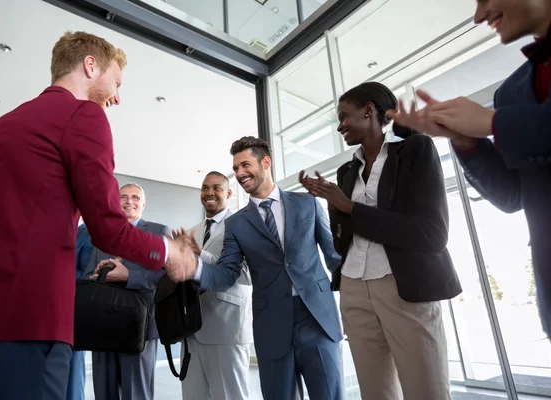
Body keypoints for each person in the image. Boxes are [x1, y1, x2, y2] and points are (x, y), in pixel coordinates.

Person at [0, 31, 195, 400]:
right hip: (26, 319)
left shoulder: (1, 126)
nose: (117, 96)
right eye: (116, 82)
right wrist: (171, 253)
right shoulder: (84, 115)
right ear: (90, 65)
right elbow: (108, 227)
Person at [386, 0, 551, 336]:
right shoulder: (511, 92)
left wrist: (493, 122)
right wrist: (466, 141)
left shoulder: (501, 111)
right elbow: (512, 196)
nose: (478, 16)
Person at [300, 82, 462, 400]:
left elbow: (432, 233)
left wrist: (350, 207)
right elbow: (342, 240)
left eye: (344, 115)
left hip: (404, 286)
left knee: (426, 390)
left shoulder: (416, 150)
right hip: (354, 288)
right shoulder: (348, 170)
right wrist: (334, 204)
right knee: (376, 392)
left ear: (369, 111)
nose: (339, 125)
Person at [171, 137, 345, 400]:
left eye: (245, 165)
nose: (240, 173)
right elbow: (227, 274)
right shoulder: (237, 223)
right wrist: (194, 269)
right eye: (236, 168)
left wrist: (356, 303)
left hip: (317, 319)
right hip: (271, 324)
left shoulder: (307, 203)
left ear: (266, 162)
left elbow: (334, 258)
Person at [84, 183, 169, 400]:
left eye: (135, 197)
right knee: (104, 391)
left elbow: (165, 277)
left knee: (136, 393)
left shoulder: (159, 232)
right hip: (103, 326)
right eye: (123, 197)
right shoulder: (101, 236)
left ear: (143, 203)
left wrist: (129, 276)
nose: (129, 201)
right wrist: (94, 279)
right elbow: (87, 275)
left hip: (140, 325)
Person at [181, 171, 252, 400]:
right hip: (190, 329)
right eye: (204, 188)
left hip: (226, 328)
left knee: (230, 396)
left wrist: (202, 256)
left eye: (216, 188)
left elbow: (249, 274)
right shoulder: (192, 230)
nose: (209, 193)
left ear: (229, 193)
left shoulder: (243, 224)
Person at [67, 221, 93, 400]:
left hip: (73, 311)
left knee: (72, 372)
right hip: (43, 309)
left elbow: (89, 274)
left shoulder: (89, 233)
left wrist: (56, 271)